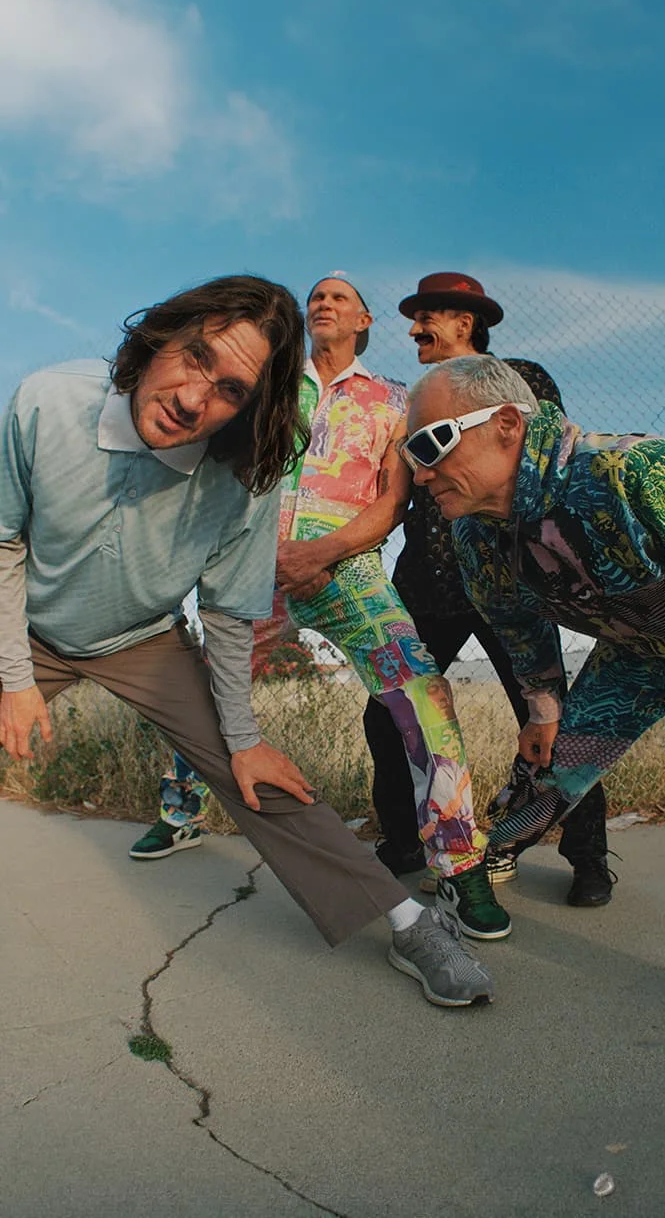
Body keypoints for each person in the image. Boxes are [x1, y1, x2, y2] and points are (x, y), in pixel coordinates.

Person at [0, 274, 495, 1009]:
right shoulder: (48, 400)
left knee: (255, 767)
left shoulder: (246, 473)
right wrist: (14, 679)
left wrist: (241, 735)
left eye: (230, 389)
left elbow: (230, 614)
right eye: (195, 357)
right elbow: (5, 542)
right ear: (157, 336)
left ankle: (411, 923)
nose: (196, 398)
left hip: (144, 637)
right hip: (27, 624)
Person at [130, 273, 511, 942]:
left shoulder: (395, 399)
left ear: (363, 320)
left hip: (349, 566)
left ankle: (458, 861)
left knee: (425, 694)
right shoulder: (268, 388)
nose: (323, 304)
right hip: (254, 566)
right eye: (315, 297)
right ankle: (179, 811)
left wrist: (323, 552)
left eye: (339, 297)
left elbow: (394, 503)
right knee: (206, 695)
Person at [364, 273, 612, 907]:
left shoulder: (519, 379)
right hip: (428, 584)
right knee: (387, 710)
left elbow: (548, 461)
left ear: (464, 322)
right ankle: (402, 839)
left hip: (512, 583)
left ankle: (586, 858)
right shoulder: (412, 402)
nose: (414, 329)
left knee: (553, 717)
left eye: (427, 317)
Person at [402, 353, 665, 865]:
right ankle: (479, 866)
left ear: (506, 423)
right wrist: (544, 712)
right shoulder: (475, 537)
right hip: (642, 657)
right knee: (549, 779)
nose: (420, 475)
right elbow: (517, 628)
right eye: (409, 456)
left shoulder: (634, 472)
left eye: (429, 445)